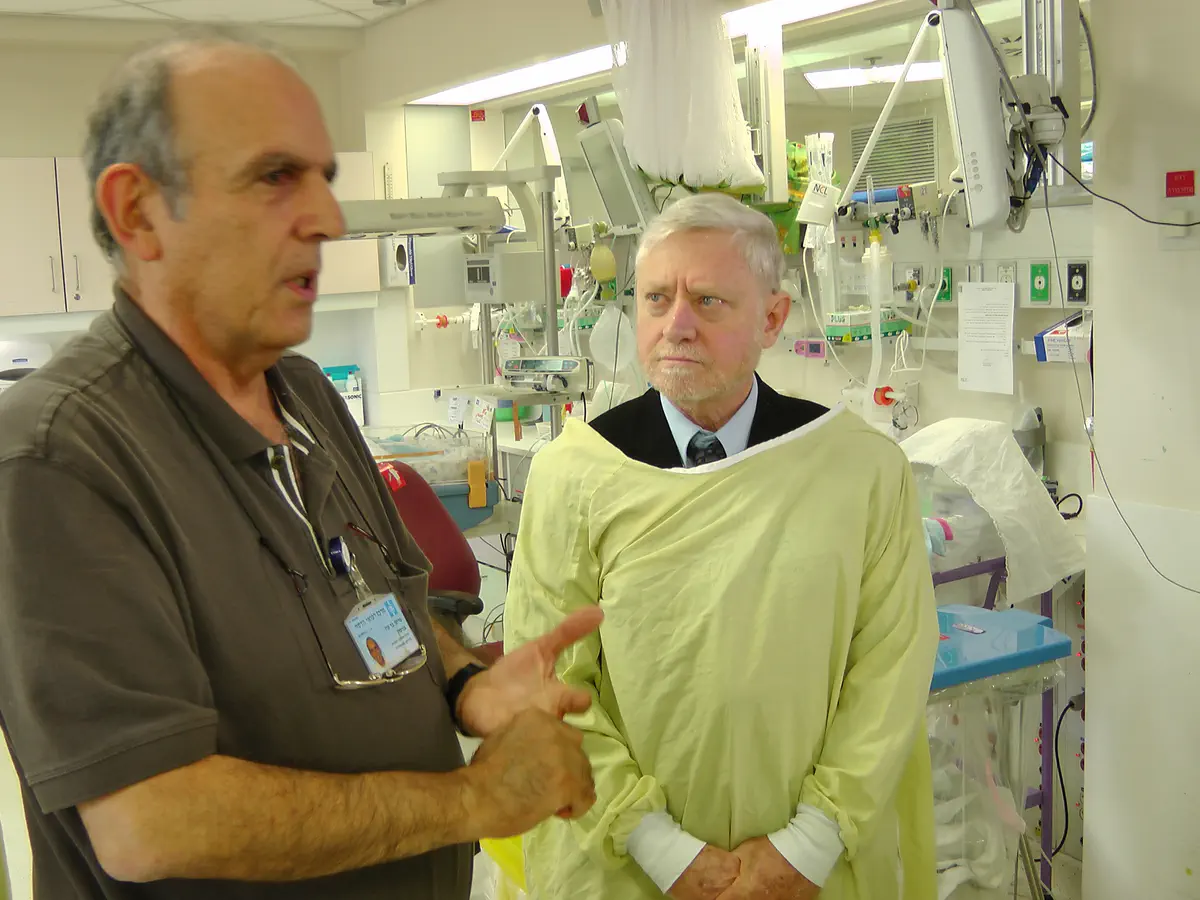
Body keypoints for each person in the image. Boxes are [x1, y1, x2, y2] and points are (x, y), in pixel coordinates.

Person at [0, 36, 602, 900]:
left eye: (323, 177)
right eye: (274, 176)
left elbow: (390, 607)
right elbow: (150, 821)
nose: (327, 217)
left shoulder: (305, 395)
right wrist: (474, 801)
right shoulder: (62, 455)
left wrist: (468, 683)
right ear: (137, 212)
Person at [504, 193, 939, 900]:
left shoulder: (857, 469)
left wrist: (808, 845)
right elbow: (546, 679)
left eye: (707, 301)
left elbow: (891, 667)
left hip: (813, 871)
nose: (676, 325)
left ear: (772, 317)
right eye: (656, 299)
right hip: (629, 869)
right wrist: (660, 848)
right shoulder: (578, 474)